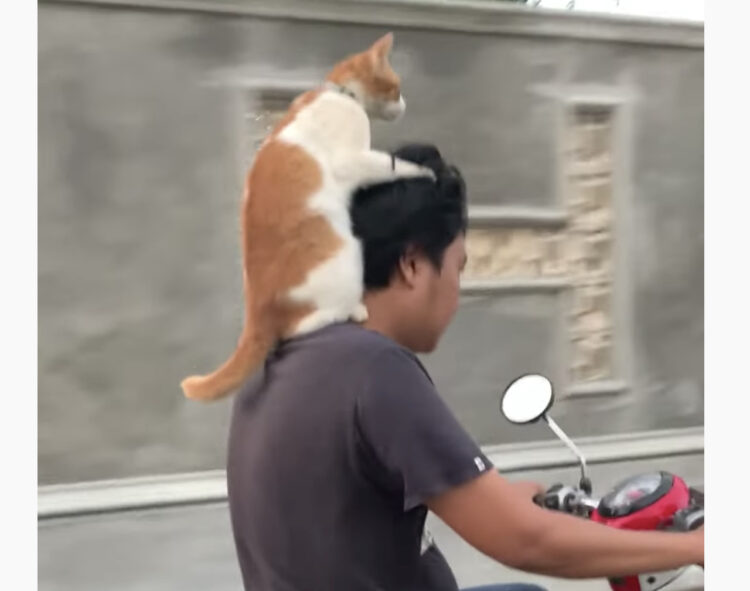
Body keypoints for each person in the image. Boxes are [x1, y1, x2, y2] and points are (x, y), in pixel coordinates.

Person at [226, 143, 703, 591]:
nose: (457, 290)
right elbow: (526, 541)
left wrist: (501, 502)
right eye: (458, 267)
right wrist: (696, 547)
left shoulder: (279, 363)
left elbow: (352, 514)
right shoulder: (376, 370)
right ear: (413, 264)